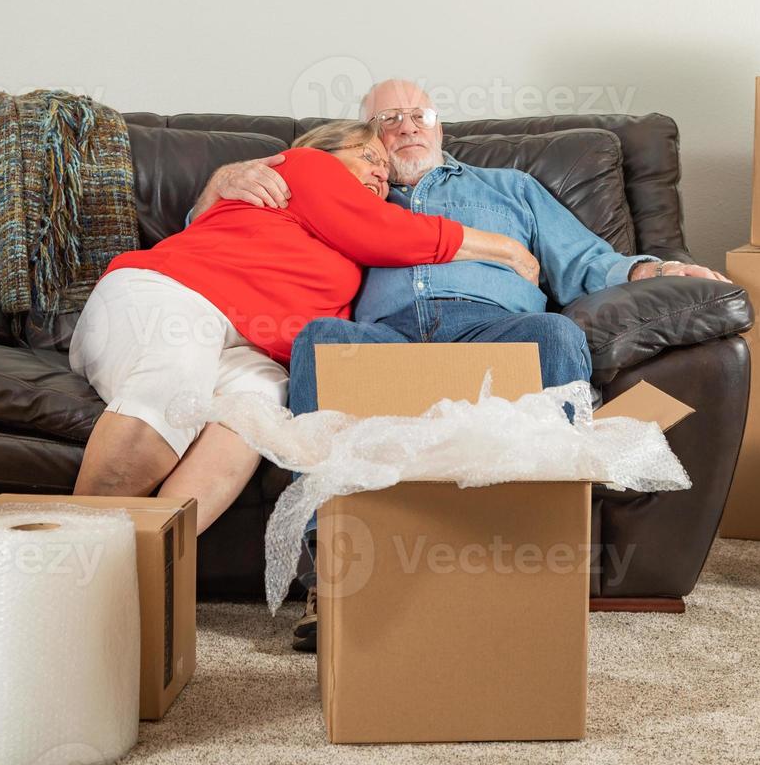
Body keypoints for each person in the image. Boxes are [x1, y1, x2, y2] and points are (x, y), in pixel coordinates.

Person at [191, 79, 731, 650]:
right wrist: (220, 181)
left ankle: (539, 560)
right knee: (321, 337)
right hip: (385, 342)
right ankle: (330, 578)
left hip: (491, 329)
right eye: (388, 120)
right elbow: (232, 236)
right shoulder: (346, 191)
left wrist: (655, 271)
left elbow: (591, 263)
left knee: (554, 331)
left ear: (441, 128)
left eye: (419, 115)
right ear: (364, 141)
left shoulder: (511, 188)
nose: (406, 127)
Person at [69, 119, 538, 535]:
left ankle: (145, 563)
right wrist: (506, 248)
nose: (380, 172)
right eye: (368, 156)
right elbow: (391, 233)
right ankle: (73, 552)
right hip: (175, 294)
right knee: (176, 378)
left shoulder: (343, 242)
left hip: (253, 350)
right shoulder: (306, 166)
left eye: (385, 169)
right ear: (326, 151)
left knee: (252, 419)